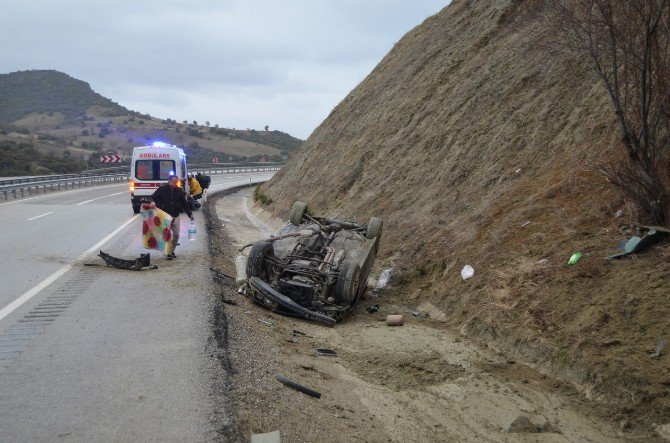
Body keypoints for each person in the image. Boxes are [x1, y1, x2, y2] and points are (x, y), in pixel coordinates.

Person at [151, 175, 194, 259]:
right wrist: (152, 202)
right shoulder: (162, 189)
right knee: (167, 235)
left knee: (177, 235)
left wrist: (190, 214)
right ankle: (168, 253)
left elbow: (184, 204)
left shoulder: (179, 190)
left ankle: (171, 250)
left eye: (176, 182)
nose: (176, 184)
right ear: (170, 181)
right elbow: (152, 197)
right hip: (165, 216)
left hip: (176, 216)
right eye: (174, 182)